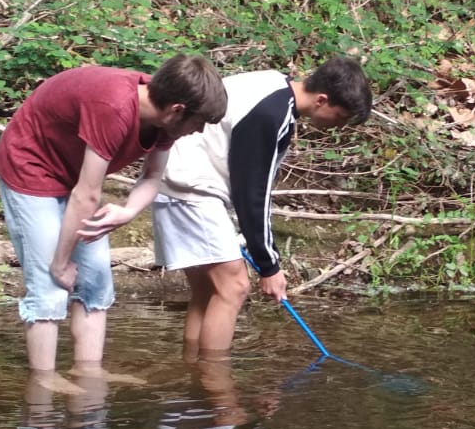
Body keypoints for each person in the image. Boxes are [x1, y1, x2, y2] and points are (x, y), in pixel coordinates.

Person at [0, 54, 227, 372]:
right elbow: (87, 194)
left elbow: (152, 177)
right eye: (199, 123)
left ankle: (88, 376)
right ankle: (43, 384)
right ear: (177, 110)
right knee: (50, 286)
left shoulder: (165, 119)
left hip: (75, 175)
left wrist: (129, 211)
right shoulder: (114, 107)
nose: (199, 131)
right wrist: (61, 263)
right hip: (31, 167)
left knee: (95, 283)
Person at [151, 55, 373, 358]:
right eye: (341, 117)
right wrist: (269, 266)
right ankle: (216, 384)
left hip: (175, 179)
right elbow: (252, 192)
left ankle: (193, 373)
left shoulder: (272, 84)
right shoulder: (272, 114)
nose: (339, 126)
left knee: (207, 292)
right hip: (191, 188)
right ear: (322, 100)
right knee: (234, 287)